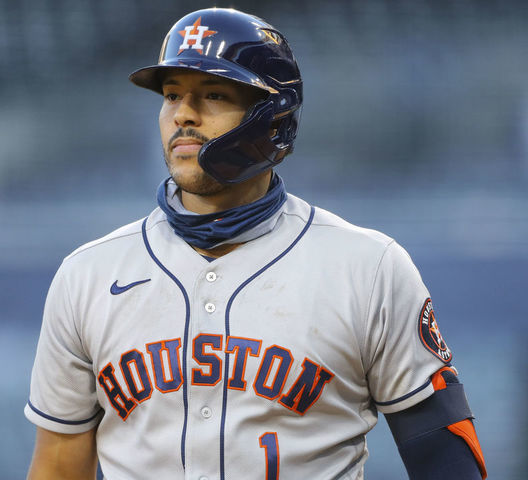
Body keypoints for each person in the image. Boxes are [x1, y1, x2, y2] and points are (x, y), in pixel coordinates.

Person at [25, 8, 486, 480]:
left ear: (273, 117)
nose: (182, 113)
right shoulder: (88, 274)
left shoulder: (368, 268)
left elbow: (445, 458)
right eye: (171, 96)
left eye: (214, 94)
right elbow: (58, 467)